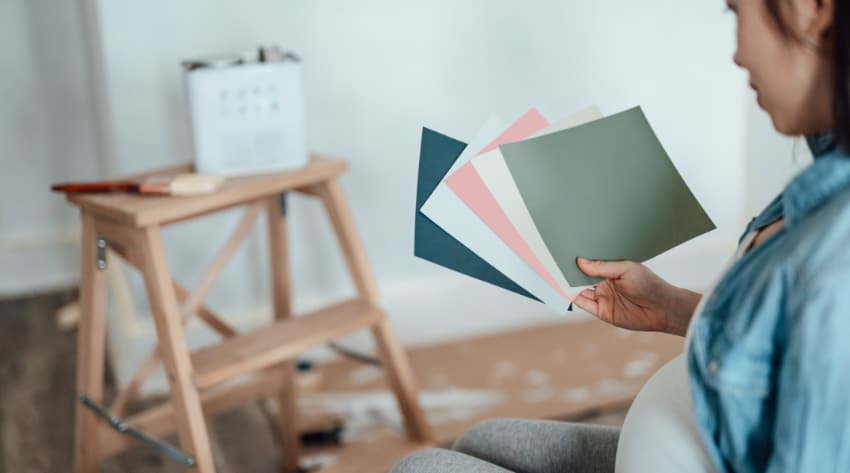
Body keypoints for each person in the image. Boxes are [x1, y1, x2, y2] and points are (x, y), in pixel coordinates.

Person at [392, 0, 850, 471]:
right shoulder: (830, 165)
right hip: (703, 431)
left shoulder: (835, 265)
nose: (737, 54)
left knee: (421, 468)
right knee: (482, 438)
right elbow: (778, 351)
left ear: (812, 10)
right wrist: (671, 307)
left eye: (735, 12)